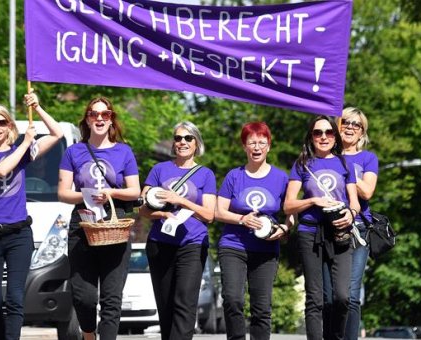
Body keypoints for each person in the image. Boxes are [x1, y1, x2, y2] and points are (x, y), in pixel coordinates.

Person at [0, 94, 63, 340]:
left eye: (2, 122)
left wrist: (37, 107)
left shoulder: (22, 151)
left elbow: (57, 134)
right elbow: (1, 169)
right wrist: (25, 143)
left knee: (14, 299)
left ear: (10, 125)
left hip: (19, 234)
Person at [57, 97, 141, 340]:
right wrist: (88, 196)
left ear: (112, 119)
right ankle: (88, 333)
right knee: (84, 296)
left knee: (111, 299)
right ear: (87, 119)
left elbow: (134, 190)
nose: (100, 118)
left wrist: (111, 193)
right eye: (94, 114)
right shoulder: (74, 151)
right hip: (82, 224)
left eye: (105, 114)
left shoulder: (124, 151)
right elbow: (63, 193)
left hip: (116, 223)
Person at [215, 122, 294, 340]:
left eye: (262, 142)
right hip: (233, 245)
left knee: (261, 308)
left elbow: (291, 211)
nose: (257, 147)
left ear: (269, 146)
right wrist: (242, 219)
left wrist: (285, 228)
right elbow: (218, 211)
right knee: (232, 299)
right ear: (244, 147)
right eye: (252, 143)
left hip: (266, 250)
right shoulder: (234, 176)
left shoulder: (281, 178)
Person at [138, 121, 217, 340]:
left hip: (192, 243)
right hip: (160, 244)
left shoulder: (205, 174)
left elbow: (209, 214)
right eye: (178, 138)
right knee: (165, 307)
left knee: (184, 303)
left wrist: (180, 200)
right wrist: (162, 213)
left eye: (188, 138)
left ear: (196, 143)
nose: (182, 142)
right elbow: (143, 209)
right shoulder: (159, 169)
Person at [284, 115, 360, 340]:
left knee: (342, 297)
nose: (324, 137)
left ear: (335, 137)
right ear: (311, 137)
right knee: (315, 299)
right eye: (318, 133)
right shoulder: (302, 164)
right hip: (310, 233)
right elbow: (288, 205)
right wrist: (312, 201)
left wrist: (350, 214)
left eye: (328, 132)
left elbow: (354, 202)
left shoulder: (345, 163)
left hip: (339, 233)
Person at [322, 108, 379, 340]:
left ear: (362, 132)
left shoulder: (367, 158)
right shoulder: (324, 154)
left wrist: (343, 174)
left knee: (351, 295)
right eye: (346, 122)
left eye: (357, 125)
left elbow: (367, 192)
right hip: (325, 228)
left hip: (357, 230)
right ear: (337, 124)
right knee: (329, 297)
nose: (350, 127)